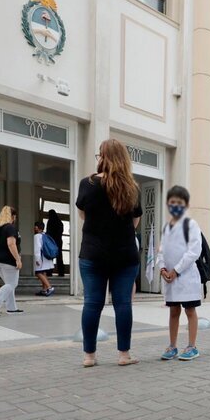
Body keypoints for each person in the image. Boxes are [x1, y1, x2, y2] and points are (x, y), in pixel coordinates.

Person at [76, 138, 142, 368]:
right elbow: (135, 221)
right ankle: (124, 355)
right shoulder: (132, 187)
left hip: (93, 254)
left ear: (103, 158)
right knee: (123, 304)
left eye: (99, 155)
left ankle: (89, 356)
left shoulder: (88, 184)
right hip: (124, 255)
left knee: (92, 303)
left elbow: (83, 215)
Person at [158, 185, 202, 361]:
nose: (175, 205)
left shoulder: (191, 224)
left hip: (186, 277)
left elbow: (194, 251)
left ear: (186, 204)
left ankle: (192, 346)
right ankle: (172, 345)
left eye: (179, 202)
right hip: (170, 279)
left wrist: (176, 270)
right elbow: (161, 251)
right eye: (172, 202)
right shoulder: (166, 227)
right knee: (173, 311)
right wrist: (162, 268)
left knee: (190, 310)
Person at [33, 221, 55, 296]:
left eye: (35, 226)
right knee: (43, 273)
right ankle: (44, 290)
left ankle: (49, 287)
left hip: (41, 258)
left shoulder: (37, 236)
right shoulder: (45, 235)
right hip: (46, 257)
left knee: (38, 273)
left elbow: (37, 248)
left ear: (37, 227)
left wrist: (37, 259)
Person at [46, 208, 66, 277]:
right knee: (59, 257)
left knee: (50, 257)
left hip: (51, 241)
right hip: (59, 241)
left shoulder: (50, 221)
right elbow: (61, 231)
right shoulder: (59, 222)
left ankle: (49, 272)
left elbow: (48, 232)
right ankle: (61, 273)